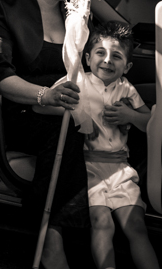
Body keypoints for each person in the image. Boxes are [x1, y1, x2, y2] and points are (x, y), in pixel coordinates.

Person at [0, 0, 89, 269]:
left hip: (66, 110)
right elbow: (0, 77)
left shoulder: (75, 11)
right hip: (20, 112)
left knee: (75, 124)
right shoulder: (4, 7)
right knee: (64, 128)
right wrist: (46, 96)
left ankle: (55, 233)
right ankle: (52, 240)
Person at [44, 22, 157, 269]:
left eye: (116, 56)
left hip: (121, 170)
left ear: (127, 66)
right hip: (88, 169)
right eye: (100, 53)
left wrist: (131, 116)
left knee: (137, 226)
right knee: (102, 223)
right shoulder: (77, 81)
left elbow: (152, 122)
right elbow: (41, 105)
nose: (107, 60)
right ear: (87, 57)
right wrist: (78, 115)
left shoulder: (127, 89)